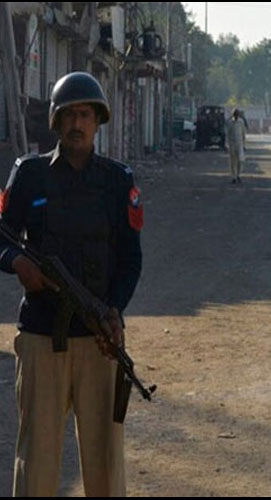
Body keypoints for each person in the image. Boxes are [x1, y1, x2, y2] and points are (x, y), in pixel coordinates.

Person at [0, 72, 143, 496]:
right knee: (37, 464)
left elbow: (131, 259)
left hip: (99, 341)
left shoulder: (118, 182)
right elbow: (1, 238)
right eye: (69, 115)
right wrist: (18, 262)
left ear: (98, 120)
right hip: (42, 338)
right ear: (57, 122)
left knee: (104, 466)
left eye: (86, 114)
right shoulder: (29, 175)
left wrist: (114, 310)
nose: (77, 124)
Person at [227, 109, 247, 184]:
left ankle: (238, 175)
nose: (236, 116)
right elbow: (228, 134)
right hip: (232, 144)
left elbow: (243, 134)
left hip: (240, 144)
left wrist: (244, 145)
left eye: (237, 114)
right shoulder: (230, 123)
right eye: (235, 114)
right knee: (233, 162)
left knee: (240, 161)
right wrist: (227, 145)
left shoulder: (241, 122)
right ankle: (234, 176)